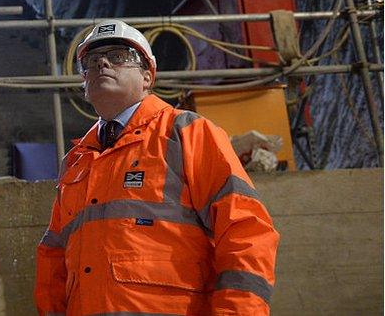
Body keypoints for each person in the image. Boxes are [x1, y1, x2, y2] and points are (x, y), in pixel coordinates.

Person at [35, 20, 279, 316]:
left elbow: (246, 229)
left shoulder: (186, 132)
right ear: (84, 84)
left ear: (148, 76)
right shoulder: (76, 161)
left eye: (119, 56)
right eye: (91, 60)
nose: (102, 62)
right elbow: (53, 258)